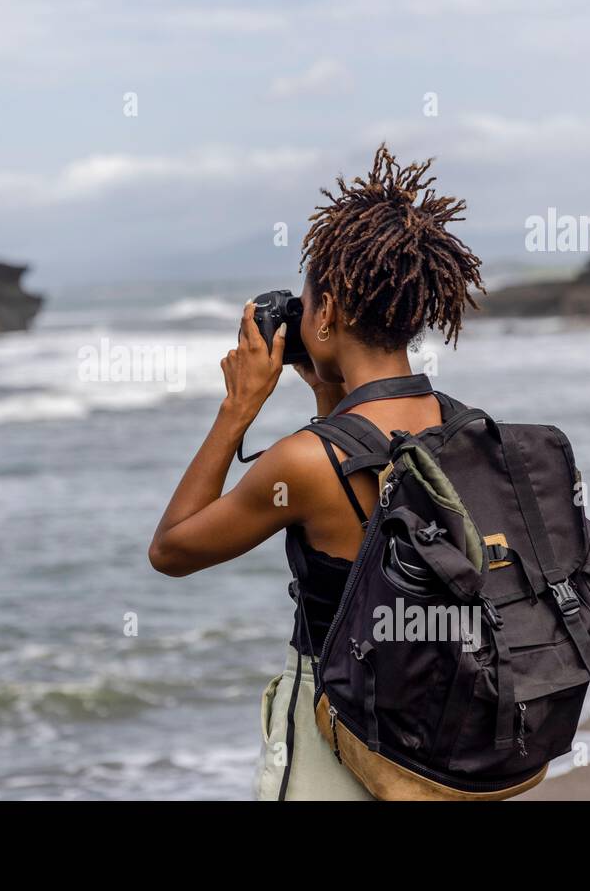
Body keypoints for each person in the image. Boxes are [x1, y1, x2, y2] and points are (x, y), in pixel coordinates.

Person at [147, 145, 486, 799]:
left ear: (326, 314)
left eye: (308, 305)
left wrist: (237, 408)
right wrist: (328, 392)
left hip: (342, 736)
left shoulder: (305, 463)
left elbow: (172, 548)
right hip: (444, 731)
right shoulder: (463, 425)